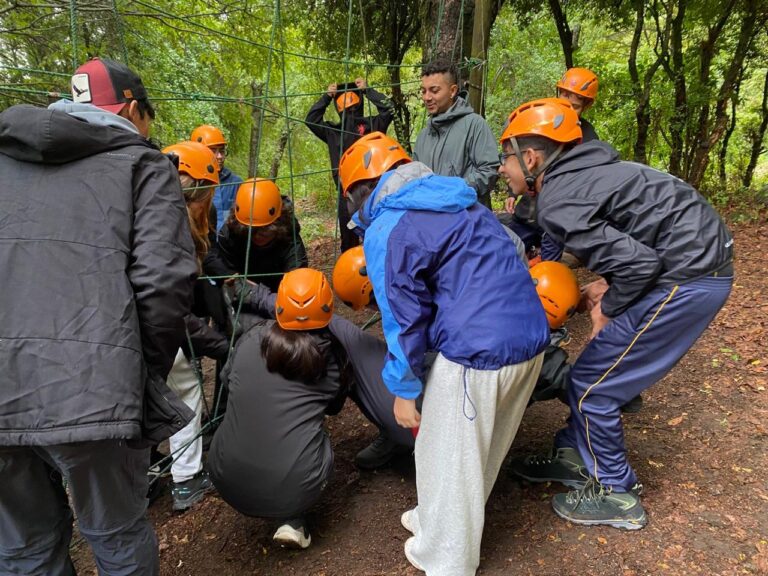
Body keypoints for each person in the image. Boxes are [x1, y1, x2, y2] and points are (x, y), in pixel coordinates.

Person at [0, 57, 197, 575]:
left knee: (23, 550)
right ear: (132, 110)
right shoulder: (142, 165)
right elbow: (163, 283)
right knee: (116, 535)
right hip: (93, 388)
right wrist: (137, 377)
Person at [499, 98, 733, 530]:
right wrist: (608, 282)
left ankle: (617, 492)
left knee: (593, 386)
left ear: (530, 158)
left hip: (689, 277)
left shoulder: (558, 198)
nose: (501, 169)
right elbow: (635, 239)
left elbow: (640, 265)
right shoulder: (586, 173)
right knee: (590, 371)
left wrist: (607, 307)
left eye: (505, 157)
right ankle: (574, 454)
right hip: (690, 262)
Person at [338, 131, 550, 575]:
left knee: (453, 459)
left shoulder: (389, 226)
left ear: (359, 191)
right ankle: (435, 524)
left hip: (478, 353)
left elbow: (403, 319)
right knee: (465, 451)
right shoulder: (459, 199)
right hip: (529, 337)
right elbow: (509, 252)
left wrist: (403, 390)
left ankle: (448, 559)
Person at [208, 268, 414, 549]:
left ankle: (288, 514)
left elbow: (227, 380)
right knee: (312, 435)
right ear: (328, 308)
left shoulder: (250, 340)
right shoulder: (331, 362)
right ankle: (293, 516)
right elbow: (333, 408)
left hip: (223, 477)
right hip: (294, 490)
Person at [161, 141, 230, 511]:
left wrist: (229, 280)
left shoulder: (151, 207)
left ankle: (144, 474)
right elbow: (170, 309)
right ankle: (186, 479)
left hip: (129, 323)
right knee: (185, 386)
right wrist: (220, 345)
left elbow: (207, 256)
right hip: (152, 323)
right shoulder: (169, 227)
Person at [501, 66, 601, 263]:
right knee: (504, 248)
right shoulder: (542, 122)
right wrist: (512, 193)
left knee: (550, 259)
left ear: (586, 105)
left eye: (575, 106)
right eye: (564, 97)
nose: (567, 108)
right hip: (527, 215)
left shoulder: (587, 138)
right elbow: (520, 161)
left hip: (556, 220)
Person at [305, 77, 394, 251]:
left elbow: (389, 108)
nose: (350, 107)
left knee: (377, 238)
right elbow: (311, 120)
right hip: (347, 194)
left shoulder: (370, 125)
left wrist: (368, 90)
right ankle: (351, 267)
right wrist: (327, 96)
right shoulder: (334, 132)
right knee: (349, 242)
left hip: (373, 191)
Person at [413, 59, 499, 209]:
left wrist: (453, 190)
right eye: (424, 91)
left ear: (452, 91)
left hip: (468, 217)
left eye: (434, 91)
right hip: (429, 217)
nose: (427, 97)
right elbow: (414, 177)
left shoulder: (474, 125)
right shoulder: (423, 136)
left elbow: (490, 170)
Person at [206, 178, 309, 292]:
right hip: (242, 296)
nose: (257, 236)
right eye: (251, 231)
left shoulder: (289, 234)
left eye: (264, 231)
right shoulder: (229, 235)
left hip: (281, 294)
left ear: (279, 224)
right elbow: (226, 277)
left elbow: (297, 275)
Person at [191, 124, 244, 231]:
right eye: (213, 151)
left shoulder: (236, 184)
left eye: (222, 151)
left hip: (227, 240)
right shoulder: (190, 183)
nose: (219, 156)